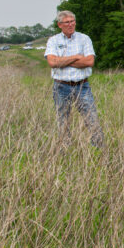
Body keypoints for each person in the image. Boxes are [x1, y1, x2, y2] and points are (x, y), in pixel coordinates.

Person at [44, 10, 104, 148]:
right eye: (67, 22)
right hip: (61, 87)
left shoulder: (84, 38)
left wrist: (63, 61)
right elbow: (52, 63)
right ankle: (65, 149)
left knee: (92, 118)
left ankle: (98, 148)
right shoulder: (53, 41)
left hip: (82, 86)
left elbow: (89, 61)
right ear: (60, 24)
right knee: (63, 120)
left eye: (72, 21)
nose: (70, 24)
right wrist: (77, 57)